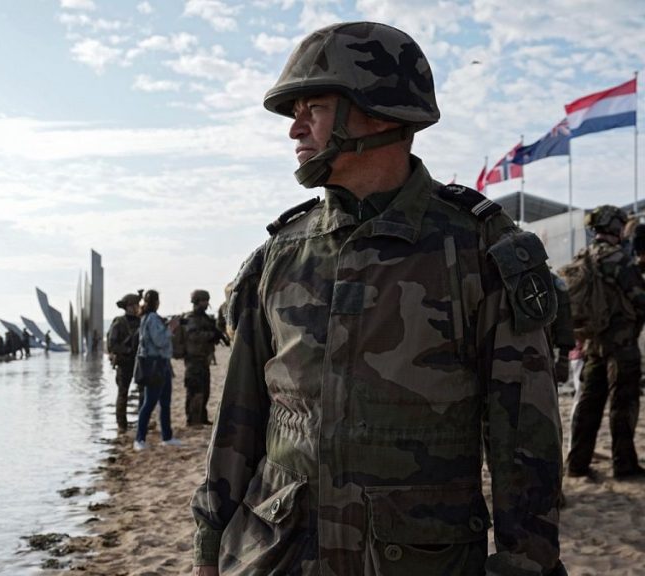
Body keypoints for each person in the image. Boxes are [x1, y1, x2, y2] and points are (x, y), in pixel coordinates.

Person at [190, 22, 565, 576]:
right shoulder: (280, 255)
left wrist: (525, 564)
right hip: (277, 554)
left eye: (312, 108)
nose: (294, 129)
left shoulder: (478, 251)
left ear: (381, 112)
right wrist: (208, 548)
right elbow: (238, 423)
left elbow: (525, 440)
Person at [567, 205, 645, 479]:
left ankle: (576, 464)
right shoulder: (618, 259)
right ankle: (624, 465)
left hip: (593, 344)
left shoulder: (584, 256)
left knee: (589, 405)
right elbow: (639, 298)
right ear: (614, 226)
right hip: (621, 346)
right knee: (623, 405)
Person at [133, 289, 181, 451]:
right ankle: (139, 439)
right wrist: (171, 328)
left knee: (165, 402)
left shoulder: (147, 317)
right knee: (149, 403)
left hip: (162, 364)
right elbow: (159, 340)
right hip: (156, 365)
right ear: (156, 302)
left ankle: (167, 437)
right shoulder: (152, 318)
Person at [172, 289, 228, 426]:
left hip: (203, 359)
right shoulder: (191, 318)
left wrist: (217, 335)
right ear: (197, 301)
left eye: (207, 300)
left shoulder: (204, 318)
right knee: (195, 390)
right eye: (204, 300)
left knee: (205, 390)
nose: (206, 303)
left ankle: (201, 417)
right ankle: (193, 420)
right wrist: (211, 335)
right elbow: (194, 336)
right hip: (193, 359)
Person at [107, 293, 142, 432]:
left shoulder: (141, 321)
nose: (137, 308)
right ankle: (122, 424)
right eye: (135, 305)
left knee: (143, 392)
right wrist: (127, 350)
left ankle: (142, 421)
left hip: (138, 362)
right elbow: (112, 344)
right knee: (123, 393)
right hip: (124, 362)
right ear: (128, 307)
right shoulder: (119, 322)